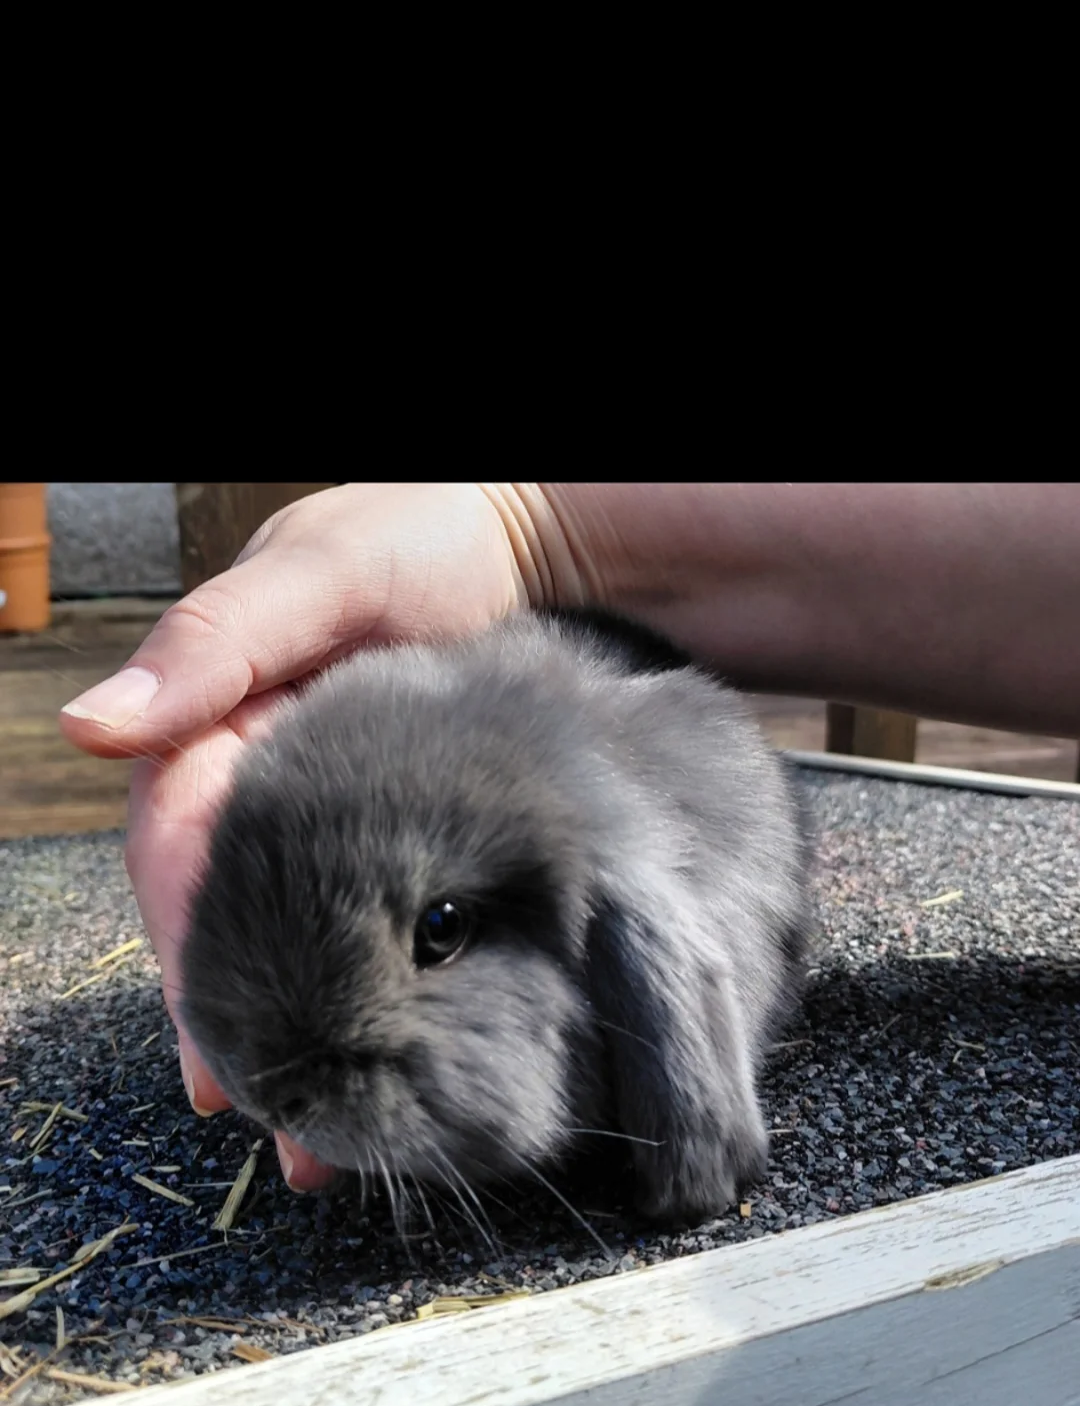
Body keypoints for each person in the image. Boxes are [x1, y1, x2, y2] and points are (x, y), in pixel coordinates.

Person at [59, 481, 1080, 1190]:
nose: (286, 1085)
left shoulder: (649, 883)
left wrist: (692, 1145)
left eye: (441, 931)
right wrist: (516, 523)